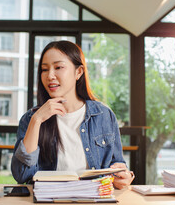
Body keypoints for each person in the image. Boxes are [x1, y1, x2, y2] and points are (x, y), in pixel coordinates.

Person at [11, 40, 134, 189]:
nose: (50, 75)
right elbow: (22, 175)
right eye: (44, 69)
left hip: (93, 201)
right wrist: (37, 120)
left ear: (78, 72)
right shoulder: (30, 119)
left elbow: (117, 164)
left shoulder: (103, 115)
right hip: (47, 203)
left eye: (58, 67)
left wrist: (121, 175)